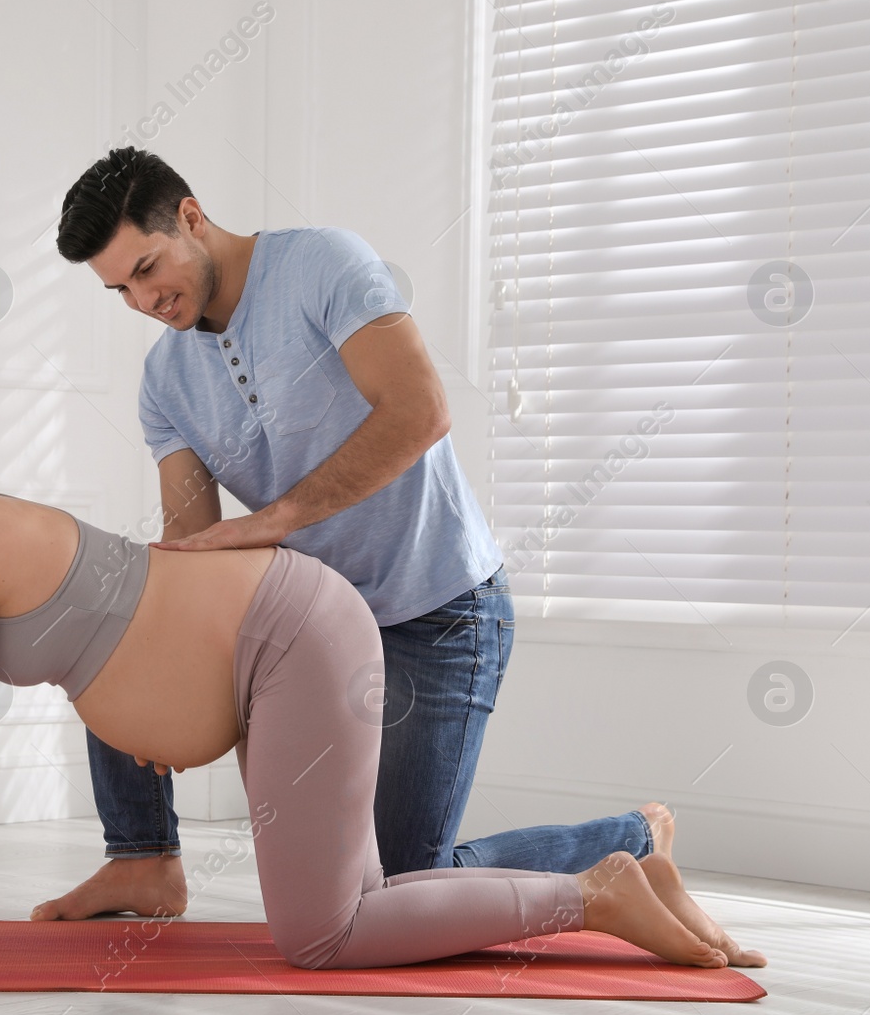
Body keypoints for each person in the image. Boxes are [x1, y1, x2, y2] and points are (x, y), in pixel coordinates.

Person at [0, 365, 763, 981]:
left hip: (290, 636)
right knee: (366, 892)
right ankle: (625, 860)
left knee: (324, 933)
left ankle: (593, 892)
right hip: (275, 642)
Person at [33, 146, 668, 925]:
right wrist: (153, 694)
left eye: (147, 266)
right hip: (315, 635)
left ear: (192, 217)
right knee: (115, 610)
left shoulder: (322, 264)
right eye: (118, 288)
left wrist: (274, 520)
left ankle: (631, 841)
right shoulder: (166, 381)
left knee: (400, 879)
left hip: (439, 613)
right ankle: (140, 859)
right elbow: (193, 550)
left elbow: (419, 410)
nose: (142, 299)